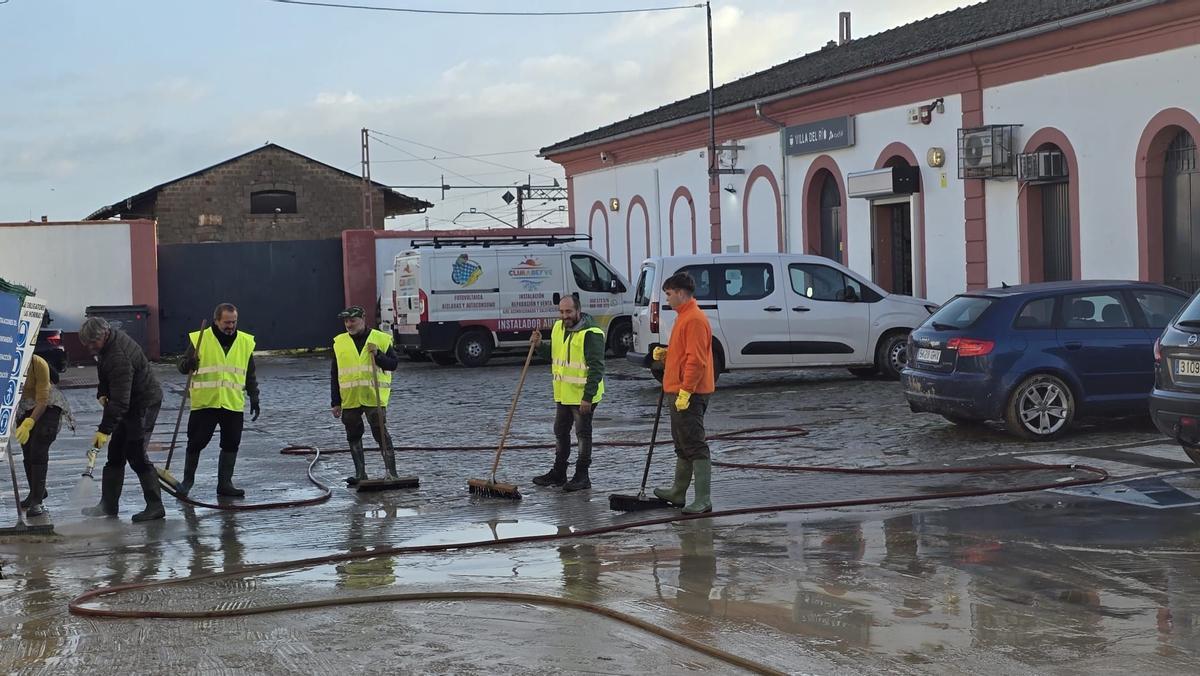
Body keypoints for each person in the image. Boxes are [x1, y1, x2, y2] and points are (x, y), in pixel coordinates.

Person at [78, 317, 166, 522]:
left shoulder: (119, 355)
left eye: (93, 343)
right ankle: (108, 505)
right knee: (116, 453)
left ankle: (155, 506)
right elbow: (106, 377)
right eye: (87, 344)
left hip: (143, 404)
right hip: (128, 402)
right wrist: (101, 392)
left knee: (135, 454)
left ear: (104, 334)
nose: (90, 348)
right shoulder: (106, 348)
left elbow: (120, 402)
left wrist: (103, 430)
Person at [176, 303, 260, 498]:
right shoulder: (200, 339)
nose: (231, 326)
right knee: (196, 442)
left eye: (234, 322)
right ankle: (188, 481)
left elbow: (250, 374)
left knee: (231, 443)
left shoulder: (245, 342)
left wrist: (254, 397)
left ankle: (225, 484)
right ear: (216, 321)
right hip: (206, 403)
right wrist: (188, 363)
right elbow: (181, 365)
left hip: (232, 403)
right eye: (226, 322)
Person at [653, 272, 716, 514]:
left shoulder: (694, 320)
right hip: (678, 390)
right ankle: (678, 492)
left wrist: (686, 391)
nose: (667, 299)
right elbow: (685, 353)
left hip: (689, 393)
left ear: (680, 292)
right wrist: (668, 354)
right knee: (682, 444)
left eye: (668, 294)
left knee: (695, 444)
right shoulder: (683, 317)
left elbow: (696, 361)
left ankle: (703, 499)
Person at [529, 294, 605, 491]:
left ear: (578, 311)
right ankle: (559, 473)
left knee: (582, 435)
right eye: (561, 312)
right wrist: (539, 346)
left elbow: (597, 368)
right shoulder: (557, 328)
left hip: (583, 396)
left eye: (569, 312)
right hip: (563, 394)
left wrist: (587, 397)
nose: (564, 316)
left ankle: (582, 476)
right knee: (560, 431)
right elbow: (554, 355)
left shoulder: (591, 333)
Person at [329, 305, 401, 483]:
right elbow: (334, 374)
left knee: (380, 433)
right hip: (350, 398)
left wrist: (378, 355)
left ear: (363, 319)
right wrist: (335, 402)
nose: (348, 324)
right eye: (346, 321)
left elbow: (393, 364)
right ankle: (361, 473)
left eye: (352, 320)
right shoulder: (339, 342)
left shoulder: (381, 339)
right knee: (353, 434)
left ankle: (391, 472)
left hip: (373, 396)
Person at [13, 354, 70, 517]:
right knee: (27, 449)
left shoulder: (38, 364)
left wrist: (29, 422)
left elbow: (43, 400)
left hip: (48, 405)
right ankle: (36, 492)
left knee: (38, 446)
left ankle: (37, 502)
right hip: (26, 406)